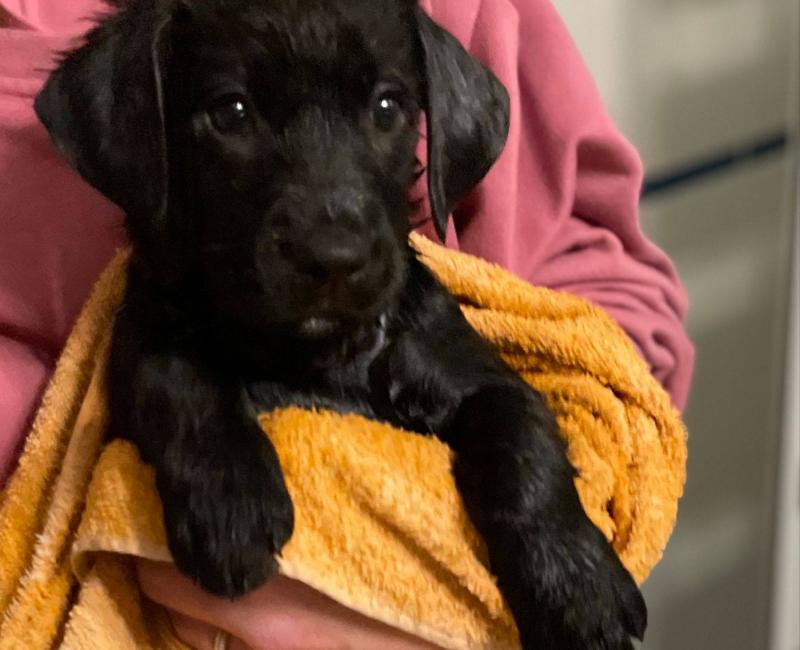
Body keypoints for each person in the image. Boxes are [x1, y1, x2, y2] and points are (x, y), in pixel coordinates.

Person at [0, 0, 694, 647]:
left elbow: (542, 380)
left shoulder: (416, 317)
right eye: (233, 114)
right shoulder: (166, 337)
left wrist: (495, 561)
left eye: (386, 108)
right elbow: (150, 364)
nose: (331, 241)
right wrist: (196, 437)